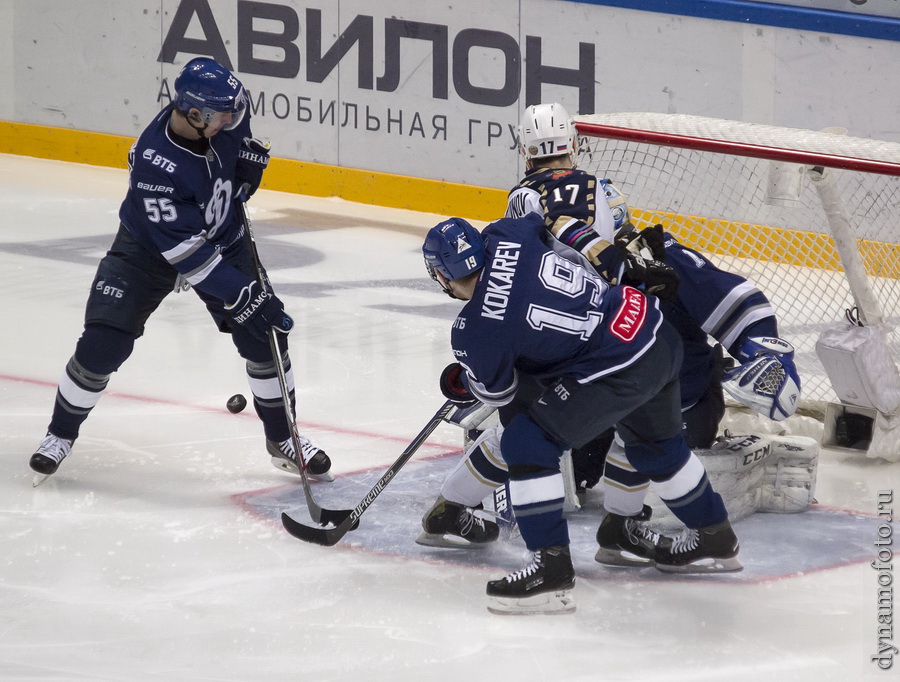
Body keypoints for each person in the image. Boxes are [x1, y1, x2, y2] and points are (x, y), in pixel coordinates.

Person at [417, 102, 803, 564]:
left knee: (529, 432)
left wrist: (482, 369)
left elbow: (501, 355)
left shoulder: (527, 242)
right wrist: (765, 347)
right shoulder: (634, 254)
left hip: (621, 387)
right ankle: (627, 525)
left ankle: (507, 527)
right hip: (636, 372)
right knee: (630, 427)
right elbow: (736, 296)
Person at [28, 57, 332, 483]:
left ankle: (284, 439)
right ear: (195, 114)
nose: (235, 117)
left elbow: (235, 151)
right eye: (224, 115)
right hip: (148, 250)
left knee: (266, 339)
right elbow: (187, 254)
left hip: (225, 237)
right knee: (103, 343)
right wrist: (243, 293)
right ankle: (59, 436)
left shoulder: (222, 113)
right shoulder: (155, 163)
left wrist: (246, 172)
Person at [423, 215, 742, 615]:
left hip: (618, 366)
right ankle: (714, 537)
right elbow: (558, 222)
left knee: (526, 441)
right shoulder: (509, 233)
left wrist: (469, 378)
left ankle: (549, 570)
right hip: (651, 326)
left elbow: (500, 394)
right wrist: (608, 257)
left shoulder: (473, 331)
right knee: (656, 448)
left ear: (440, 274)